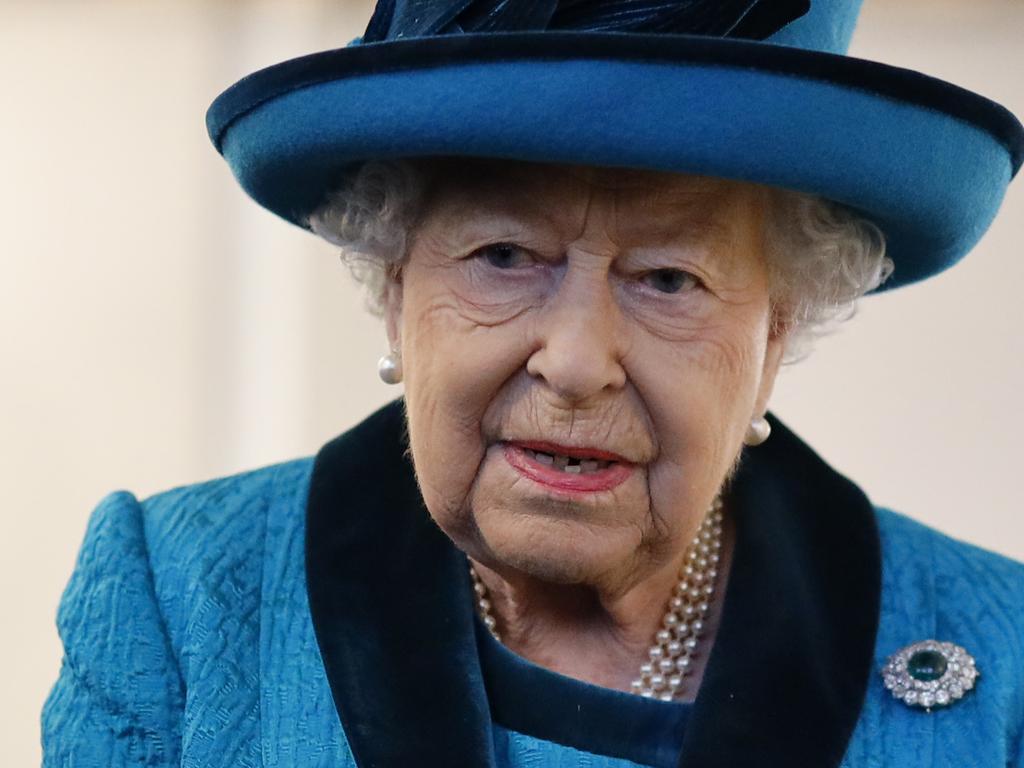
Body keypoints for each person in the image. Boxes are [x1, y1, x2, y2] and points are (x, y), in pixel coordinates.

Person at [42, 0, 1024, 766]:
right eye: (504, 256)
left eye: (668, 279)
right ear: (395, 290)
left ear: (775, 333)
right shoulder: (179, 594)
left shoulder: (1001, 652)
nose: (577, 358)